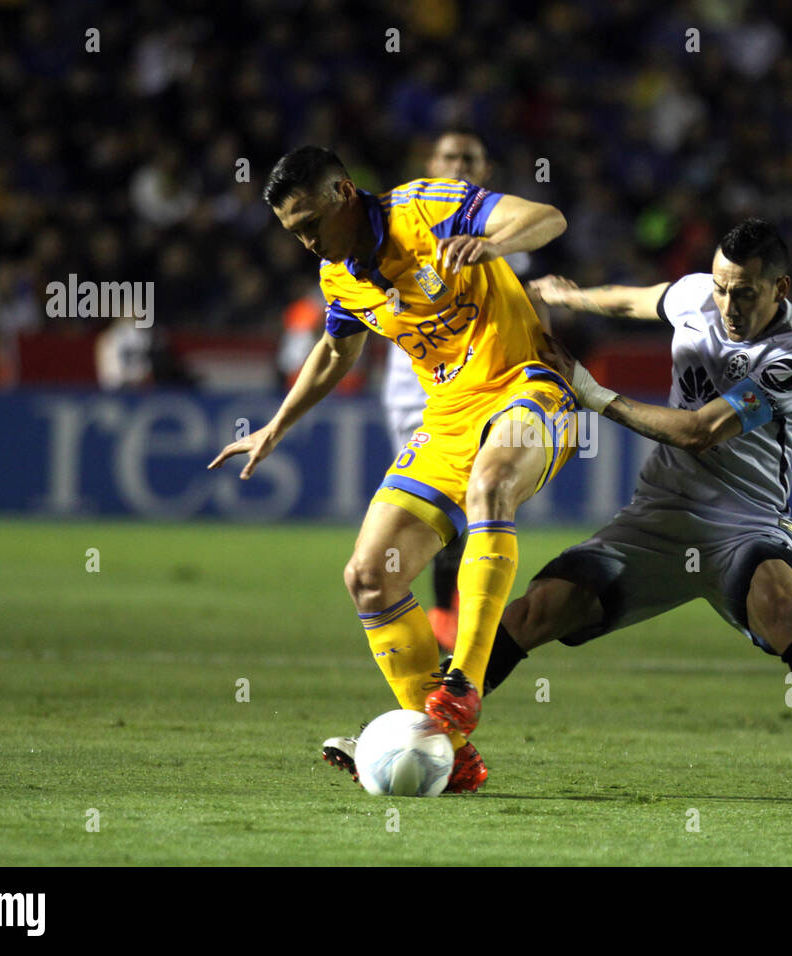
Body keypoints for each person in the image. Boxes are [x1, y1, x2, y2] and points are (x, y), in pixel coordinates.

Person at [475, 219, 792, 806]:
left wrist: (590, 393)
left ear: (782, 288)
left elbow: (700, 432)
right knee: (537, 608)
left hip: (743, 521)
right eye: (722, 287)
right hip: (660, 515)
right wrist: (573, 296)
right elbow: (637, 299)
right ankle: (422, 727)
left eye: (745, 292)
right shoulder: (701, 293)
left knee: (784, 611)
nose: (728, 303)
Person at [208, 146, 576, 793]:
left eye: (311, 225)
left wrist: (494, 245)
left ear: (343, 193)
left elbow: (548, 218)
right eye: (293, 233)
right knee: (368, 575)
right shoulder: (338, 277)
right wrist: (276, 425)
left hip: (530, 388)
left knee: (492, 484)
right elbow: (332, 354)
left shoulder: (429, 208)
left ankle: (461, 684)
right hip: (449, 417)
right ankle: (451, 755)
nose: (306, 244)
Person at [381, 128, 541, 650]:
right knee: (439, 506)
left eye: (470, 159)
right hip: (414, 388)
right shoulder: (403, 225)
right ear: (431, 162)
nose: (460, 166)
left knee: (477, 502)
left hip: (484, 385)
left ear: (486, 170)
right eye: (450, 157)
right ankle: (449, 617)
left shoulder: (501, 242)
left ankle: (453, 621)